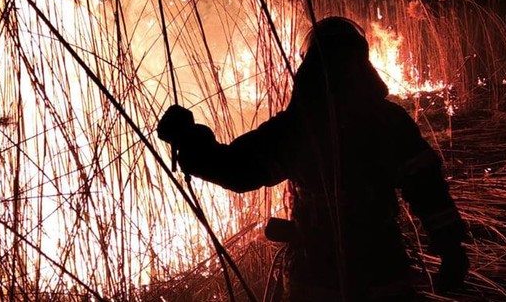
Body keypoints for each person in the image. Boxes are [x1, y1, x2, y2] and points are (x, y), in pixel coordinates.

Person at [157, 16, 468, 301]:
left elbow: (238, 170)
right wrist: (451, 250)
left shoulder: (299, 128)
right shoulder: (389, 121)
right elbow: (429, 190)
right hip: (382, 268)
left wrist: (188, 140)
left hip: (317, 275)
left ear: (309, 67)